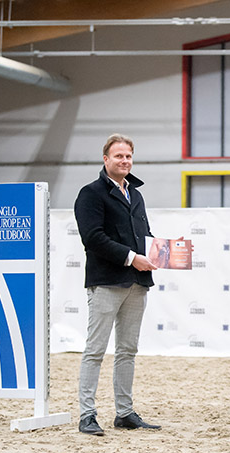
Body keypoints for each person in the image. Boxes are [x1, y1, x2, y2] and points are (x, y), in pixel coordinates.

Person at [74, 133, 160, 436]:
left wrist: (160, 251)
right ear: (106, 159)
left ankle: (124, 412)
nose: (125, 161)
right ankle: (87, 415)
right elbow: (93, 238)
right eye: (119, 156)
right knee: (95, 350)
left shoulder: (136, 195)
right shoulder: (90, 193)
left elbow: (143, 235)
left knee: (127, 350)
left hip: (137, 283)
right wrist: (132, 258)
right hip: (107, 282)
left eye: (128, 156)